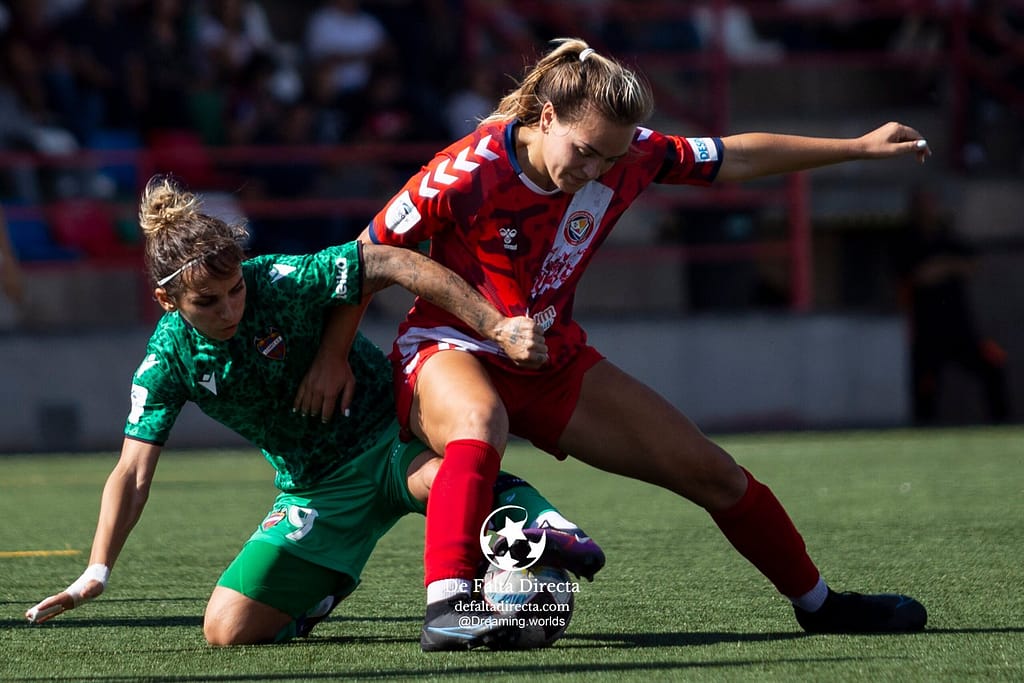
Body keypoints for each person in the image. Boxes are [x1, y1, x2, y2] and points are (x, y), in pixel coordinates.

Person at [359, 38, 932, 649]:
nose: (595, 171)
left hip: (551, 360)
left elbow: (734, 158)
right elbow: (365, 256)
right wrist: (331, 361)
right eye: (585, 153)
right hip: (449, 347)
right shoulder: (467, 169)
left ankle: (819, 605)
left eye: (609, 158)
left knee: (714, 475)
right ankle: (449, 607)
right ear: (546, 116)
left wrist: (859, 148)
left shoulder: (633, 153)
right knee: (480, 418)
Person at [25, 175, 602, 649]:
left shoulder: (278, 280)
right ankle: (324, 589)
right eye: (208, 301)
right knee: (228, 631)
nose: (230, 308)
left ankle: (531, 527)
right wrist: (95, 573)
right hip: (315, 490)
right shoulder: (165, 361)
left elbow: (391, 262)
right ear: (166, 301)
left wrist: (492, 325)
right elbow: (132, 472)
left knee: (449, 476)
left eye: (234, 290)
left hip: (390, 442)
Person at [895, 186, 1010, 425]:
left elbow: (971, 264)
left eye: (932, 204)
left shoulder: (947, 236)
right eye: (924, 205)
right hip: (926, 330)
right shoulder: (907, 239)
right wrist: (947, 266)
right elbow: (919, 276)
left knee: (993, 365)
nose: (929, 210)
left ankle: (1002, 424)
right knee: (925, 383)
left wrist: (942, 265)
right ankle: (922, 432)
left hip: (959, 327)